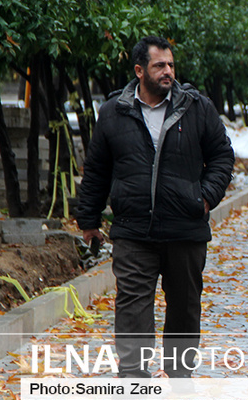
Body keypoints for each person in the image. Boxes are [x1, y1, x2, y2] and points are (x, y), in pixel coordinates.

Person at [75, 36, 234, 378]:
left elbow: (222, 155)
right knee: (132, 305)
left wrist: (204, 197)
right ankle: (133, 375)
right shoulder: (114, 112)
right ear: (139, 70)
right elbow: (98, 168)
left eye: (171, 65)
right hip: (133, 229)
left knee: (184, 308)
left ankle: (178, 376)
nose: (168, 72)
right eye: (159, 65)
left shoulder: (196, 107)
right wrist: (88, 218)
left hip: (185, 227)